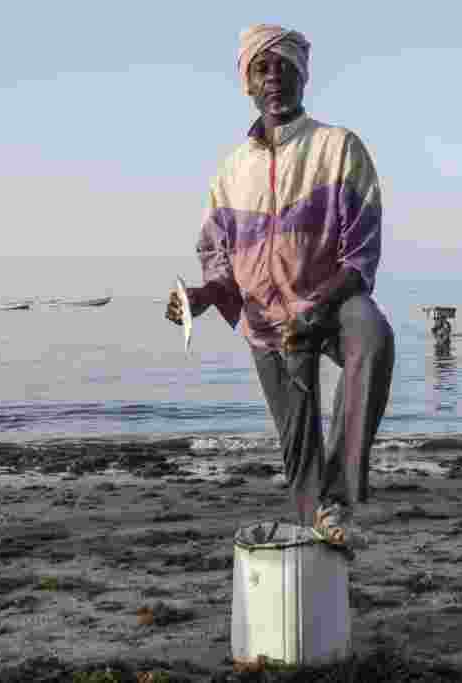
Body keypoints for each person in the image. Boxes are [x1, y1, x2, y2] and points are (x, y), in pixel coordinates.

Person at [165, 24, 395, 545]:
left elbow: (360, 257)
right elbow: (219, 264)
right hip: (269, 327)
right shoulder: (229, 173)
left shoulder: (338, 148)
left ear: (303, 76)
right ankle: (323, 528)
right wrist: (200, 297)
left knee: (374, 337)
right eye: (261, 68)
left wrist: (314, 312)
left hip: (333, 306)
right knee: (298, 454)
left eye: (284, 66)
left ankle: (338, 493)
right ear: (247, 81)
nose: (274, 77)